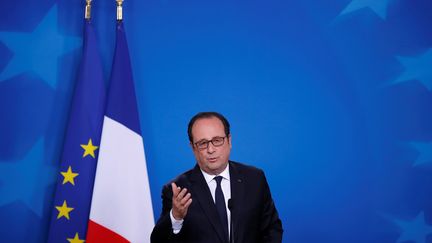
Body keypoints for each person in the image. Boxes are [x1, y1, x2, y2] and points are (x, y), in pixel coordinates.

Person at [151, 112, 283, 243]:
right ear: (192, 148)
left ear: (229, 141)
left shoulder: (254, 179)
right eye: (203, 143)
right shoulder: (177, 190)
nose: (211, 149)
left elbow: (271, 229)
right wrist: (176, 217)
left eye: (217, 140)